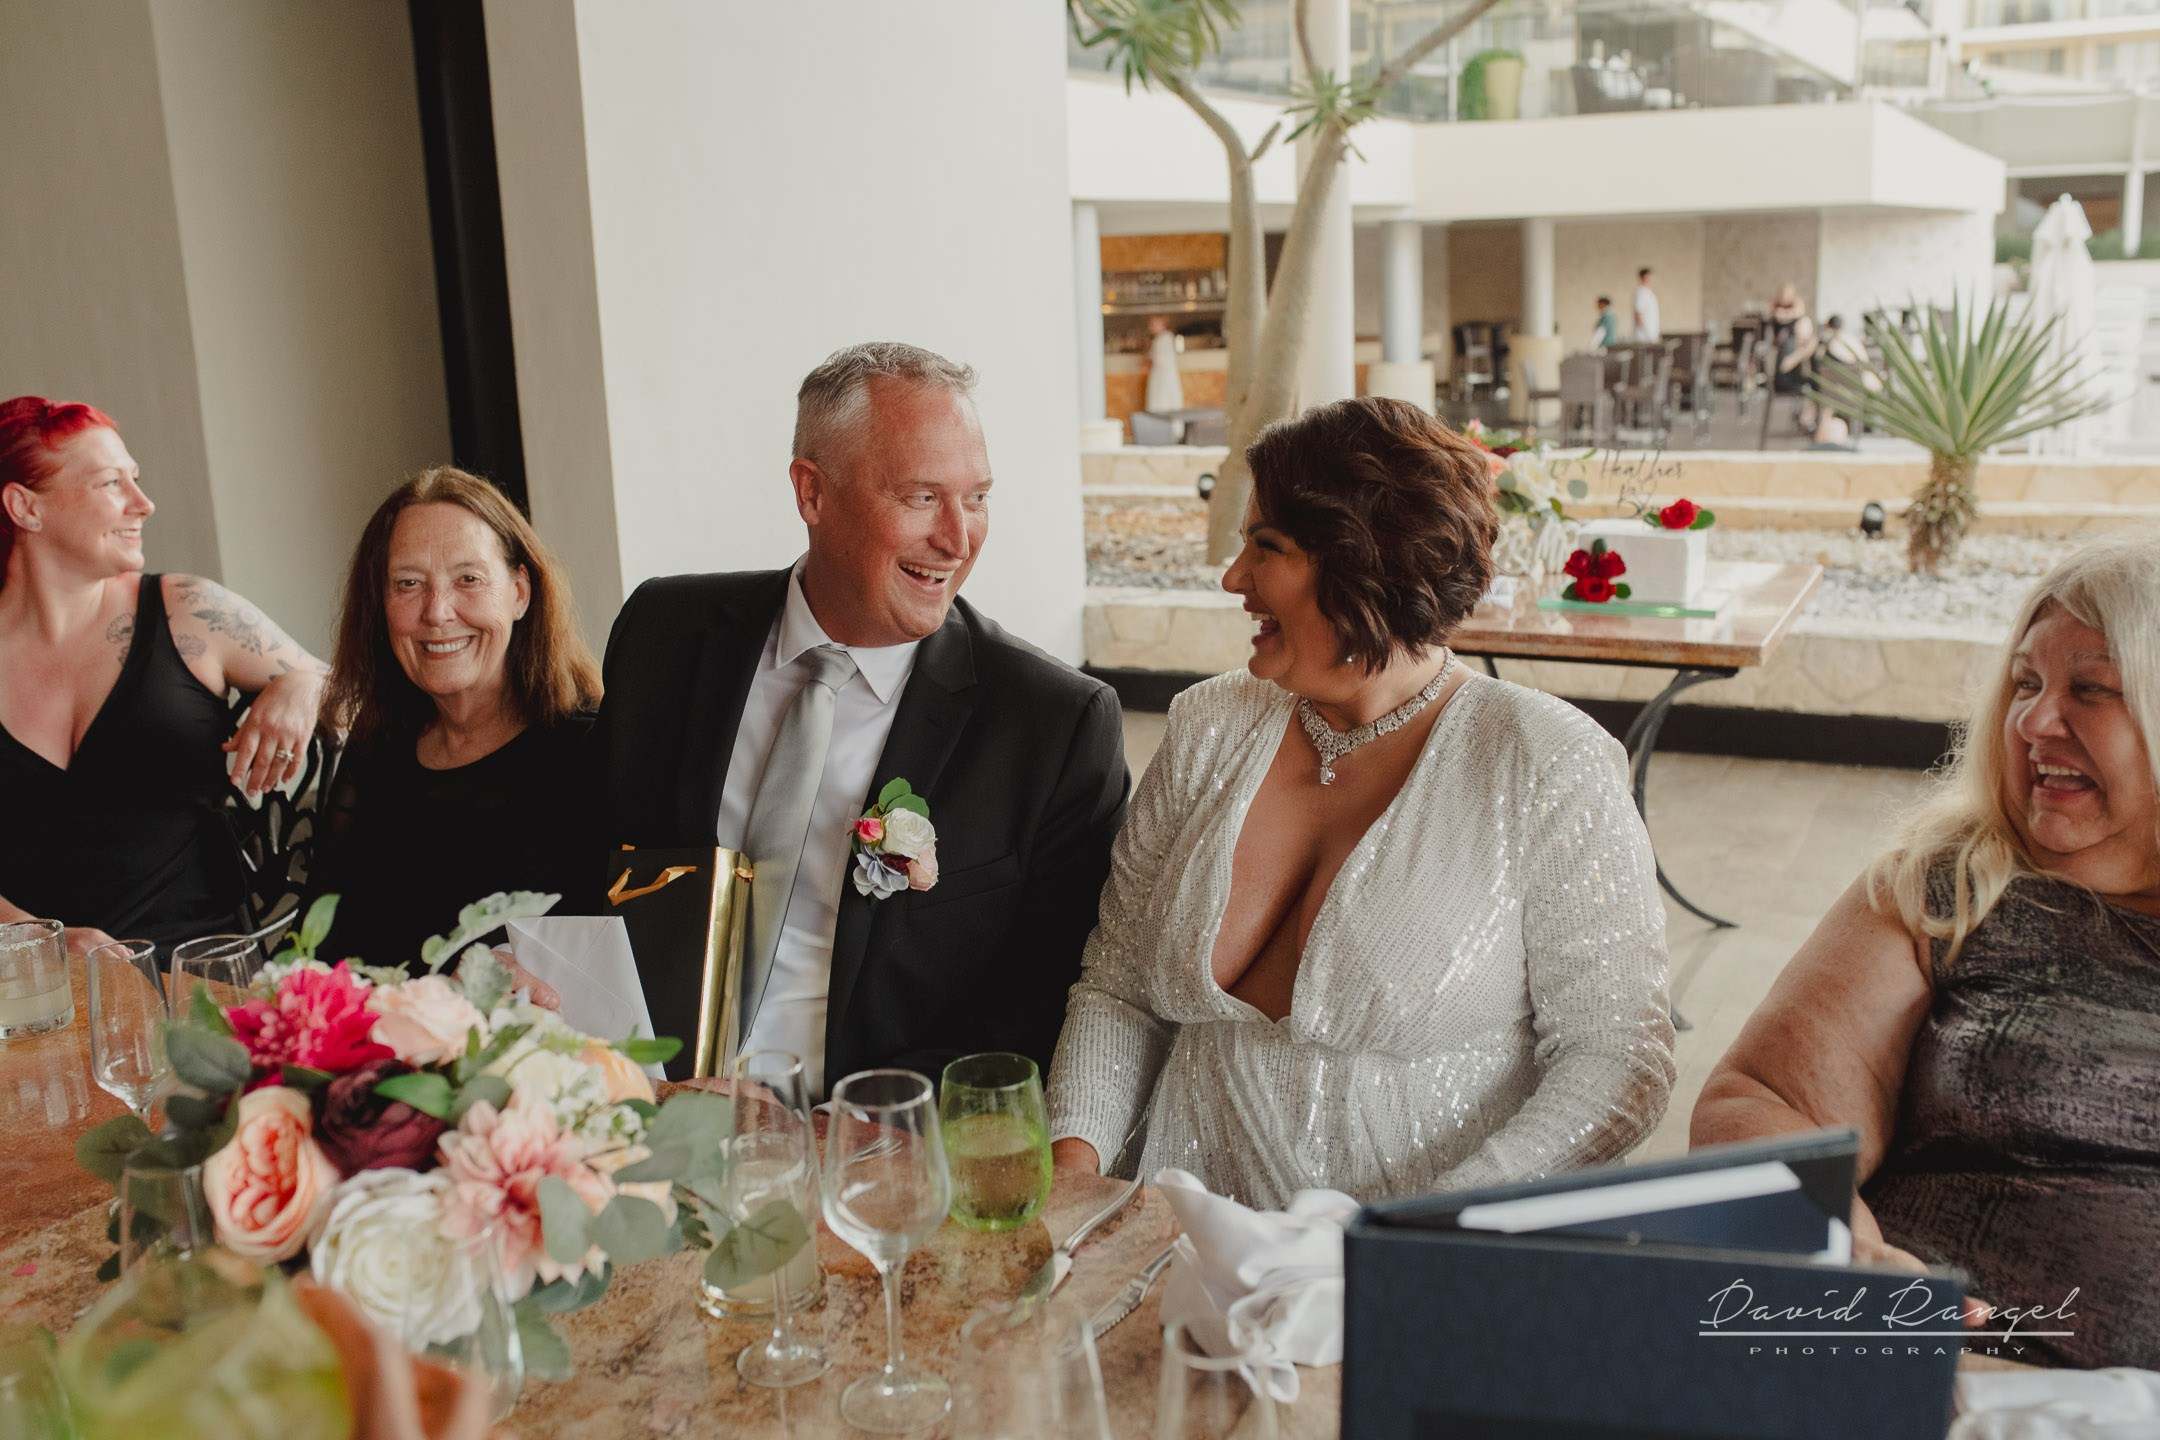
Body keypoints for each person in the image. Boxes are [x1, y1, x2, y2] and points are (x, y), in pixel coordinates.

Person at [1045, 397, 1676, 1209]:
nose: (1234, 578)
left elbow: (1618, 1058)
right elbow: (1120, 987)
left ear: (1362, 564)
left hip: (1419, 1272)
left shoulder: (1545, 761)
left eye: (1265, 547)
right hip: (1181, 1242)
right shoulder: (1208, 726)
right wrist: (1074, 1173)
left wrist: (1426, 1234)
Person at [592, 342, 1128, 1095]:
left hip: (864, 1145)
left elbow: (1046, 1009)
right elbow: (587, 871)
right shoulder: (664, 633)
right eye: (920, 497)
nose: (958, 537)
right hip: (634, 1101)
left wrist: (835, 1126)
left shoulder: (1050, 724)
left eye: (976, 497)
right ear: (812, 494)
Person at [1691, 535, 2160, 1370]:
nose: (2034, 721)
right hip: (1942, 1375)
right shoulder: (1948, 888)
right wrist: (1852, 1259)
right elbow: (1761, 1104)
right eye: (2025, 682)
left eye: (2090, 689)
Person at [0, 396, 327, 952]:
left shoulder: (188, 609)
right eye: (110, 484)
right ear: (25, 507)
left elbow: (357, 690)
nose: (144, 503)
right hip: (33, 996)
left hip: (200, 981)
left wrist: (304, 683)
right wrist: (42, 942)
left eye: (137, 479)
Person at [312, 467, 601, 973]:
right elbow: (319, 943)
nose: (437, 611)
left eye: (468, 579)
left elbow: (614, 952)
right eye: (408, 584)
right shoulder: (378, 744)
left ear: (519, 592)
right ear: (380, 604)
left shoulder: (592, 746)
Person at [1144, 314, 1186, 416]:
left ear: (1163, 324)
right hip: (1160, 378)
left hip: (1163, 379)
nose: (1151, 327)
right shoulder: (1160, 339)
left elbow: (1159, 360)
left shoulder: (1164, 338)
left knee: (1163, 403)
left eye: (1154, 324)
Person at [1632, 266, 1661, 342]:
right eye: (1648, 277)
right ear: (1643, 277)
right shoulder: (1640, 293)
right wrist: (1646, 333)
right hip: (1644, 335)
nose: (1651, 279)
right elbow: (1638, 313)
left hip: (1651, 333)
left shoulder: (1648, 292)